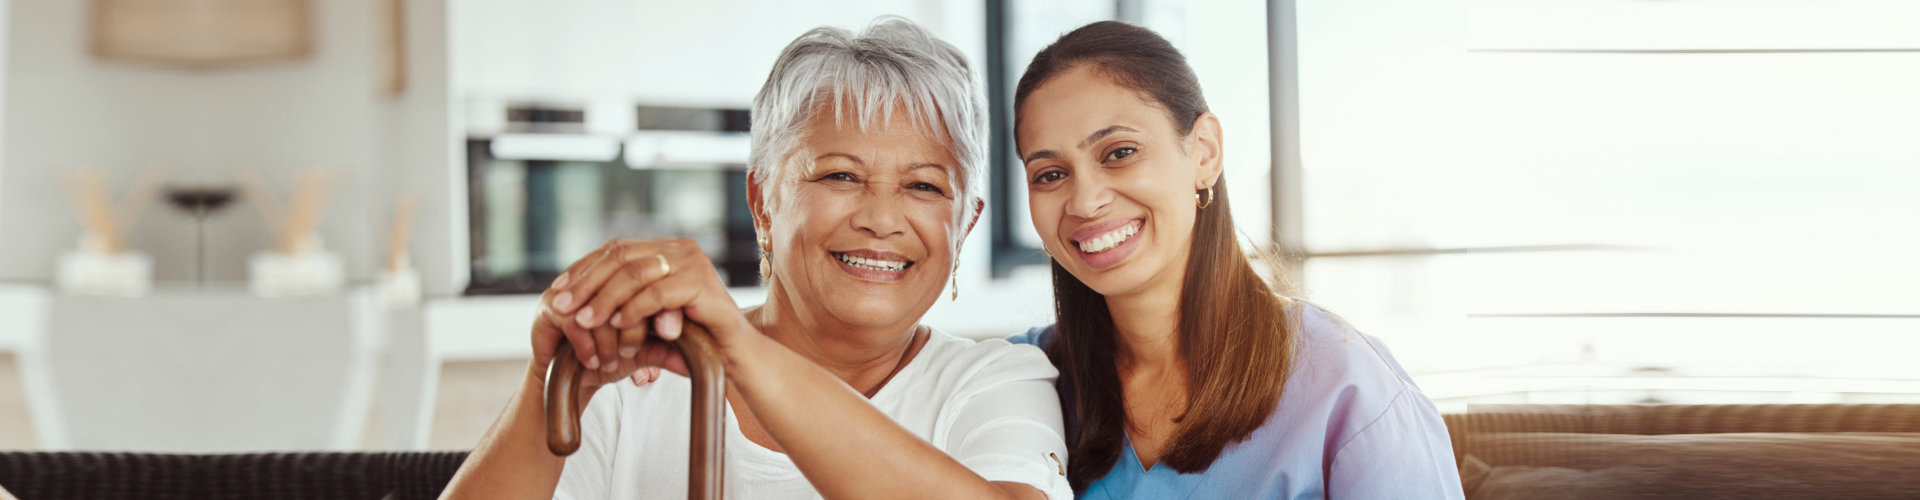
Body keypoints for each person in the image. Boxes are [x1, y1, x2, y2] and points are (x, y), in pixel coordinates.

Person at [441, 18, 1070, 500]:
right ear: (761, 201)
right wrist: (545, 383)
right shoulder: (635, 382)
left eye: (924, 186)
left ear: (966, 226)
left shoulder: (997, 381)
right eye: (840, 176)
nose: (881, 218)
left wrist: (741, 355)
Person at [1007, 21, 1465, 498]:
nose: (1084, 201)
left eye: (1120, 152)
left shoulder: (1343, 380)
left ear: (1204, 153)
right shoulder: (1019, 379)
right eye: (1050, 174)